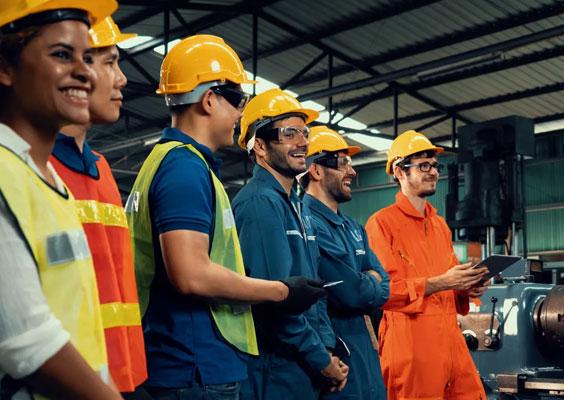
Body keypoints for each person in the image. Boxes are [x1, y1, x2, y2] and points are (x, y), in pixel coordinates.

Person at [125, 35, 326, 400]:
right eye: (237, 102)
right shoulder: (184, 168)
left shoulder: (171, 163)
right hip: (193, 365)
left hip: (187, 362)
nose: (238, 115)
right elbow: (190, 274)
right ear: (209, 99)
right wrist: (282, 291)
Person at [0, 0, 122, 399]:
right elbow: (29, 346)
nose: (85, 72)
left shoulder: (45, 178)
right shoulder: (5, 176)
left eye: (87, 57)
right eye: (61, 55)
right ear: (5, 67)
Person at [48, 16, 147, 395]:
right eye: (109, 63)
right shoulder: (33, 170)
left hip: (121, 379)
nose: (121, 79)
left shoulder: (102, 169)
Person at [234, 89, 349, 400]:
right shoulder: (260, 204)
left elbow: (313, 291)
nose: (302, 142)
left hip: (302, 363)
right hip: (276, 369)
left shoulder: (295, 205)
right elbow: (278, 302)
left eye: (304, 132)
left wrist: (325, 348)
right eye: (289, 133)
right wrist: (321, 360)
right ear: (259, 145)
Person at [365, 130, 489, 400]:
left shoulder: (439, 225)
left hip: (451, 342)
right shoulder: (381, 224)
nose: (433, 172)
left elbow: (450, 282)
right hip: (411, 346)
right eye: (423, 166)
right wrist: (443, 282)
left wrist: (468, 287)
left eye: (434, 165)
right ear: (400, 172)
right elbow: (385, 292)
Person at [300, 126, 389, 400]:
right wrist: (368, 279)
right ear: (316, 170)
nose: (351, 171)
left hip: (366, 356)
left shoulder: (352, 227)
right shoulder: (308, 223)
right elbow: (351, 294)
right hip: (337, 355)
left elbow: (385, 285)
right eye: (342, 163)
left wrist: (370, 283)